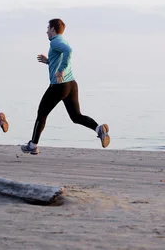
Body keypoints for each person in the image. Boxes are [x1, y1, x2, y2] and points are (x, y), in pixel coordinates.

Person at [21, 18, 110, 155]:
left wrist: (61, 70)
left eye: (48, 28)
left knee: (42, 113)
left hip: (59, 86)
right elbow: (62, 56)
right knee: (76, 117)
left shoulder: (56, 41)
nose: (46, 31)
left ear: (52, 29)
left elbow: (68, 51)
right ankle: (99, 129)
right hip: (71, 84)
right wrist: (49, 62)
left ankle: (33, 145)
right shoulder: (61, 41)